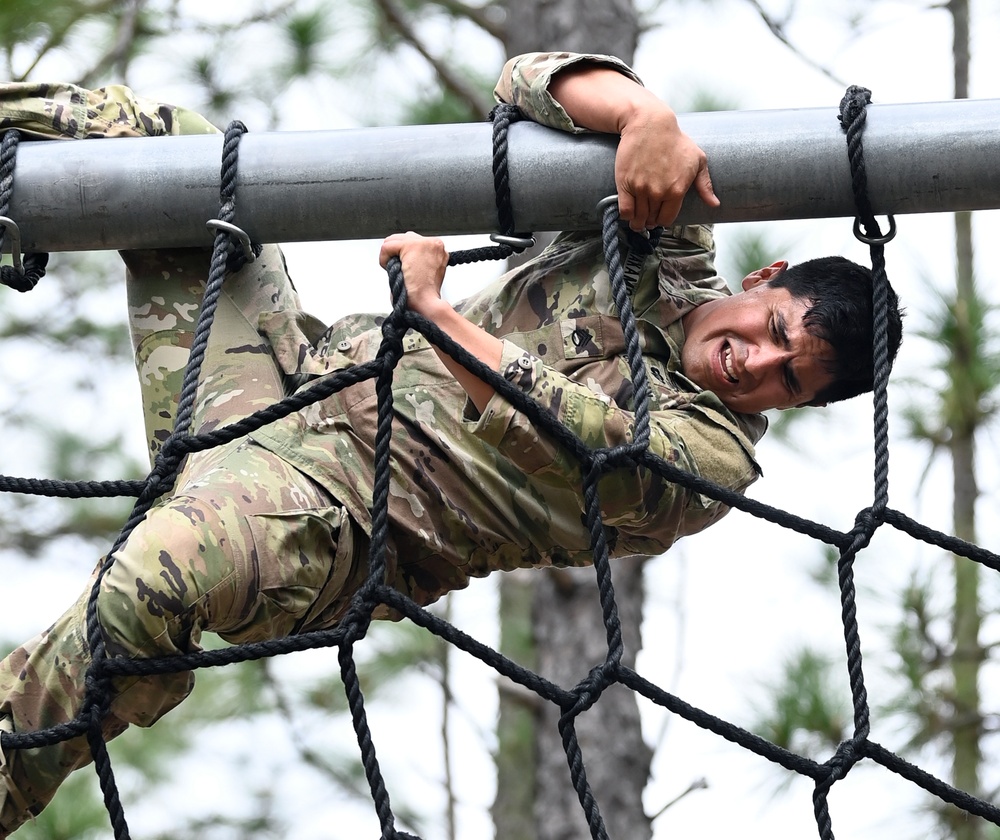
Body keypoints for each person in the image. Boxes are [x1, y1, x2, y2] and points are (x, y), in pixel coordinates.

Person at [0, 51, 903, 833]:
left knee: (157, 577)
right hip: (284, 385)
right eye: (774, 329)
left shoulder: (710, 462)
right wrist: (643, 113)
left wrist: (431, 313)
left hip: (338, 521)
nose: (754, 361)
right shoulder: (659, 236)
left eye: (788, 376)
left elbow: (573, 435)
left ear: (799, 406)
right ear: (766, 276)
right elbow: (525, 82)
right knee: (171, 146)